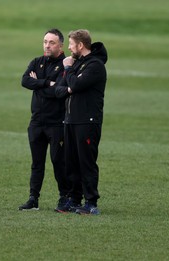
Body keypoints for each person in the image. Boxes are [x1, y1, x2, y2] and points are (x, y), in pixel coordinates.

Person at [55, 29, 108, 215]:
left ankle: (91, 202)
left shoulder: (95, 66)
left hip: (87, 121)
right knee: (71, 163)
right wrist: (70, 85)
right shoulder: (77, 64)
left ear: (80, 45)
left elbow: (75, 85)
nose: (69, 48)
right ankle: (74, 199)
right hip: (70, 121)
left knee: (86, 162)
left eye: (71, 44)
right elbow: (60, 90)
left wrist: (68, 71)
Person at [18, 28, 70, 211]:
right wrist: (46, 82)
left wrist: (38, 84)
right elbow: (25, 81)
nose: (47, 46)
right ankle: (33, 199)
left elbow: (57, 93)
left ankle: (65, 197)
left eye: (52, 42)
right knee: (37, 162)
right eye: (45, 42)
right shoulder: (37, 61)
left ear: (61, 45)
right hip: (36, 122)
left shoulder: (66, 65)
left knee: (58, 161)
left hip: (56, 123)